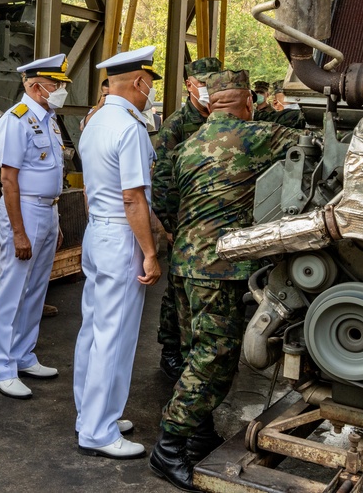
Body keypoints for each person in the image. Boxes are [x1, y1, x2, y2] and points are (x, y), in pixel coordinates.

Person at [149, 70, 302, 491]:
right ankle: (169, 447)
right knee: (213, 359)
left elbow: (164, 200)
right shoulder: (256, 136)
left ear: (212, 102)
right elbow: (312, 145)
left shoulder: (186, 145)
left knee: (194, 351)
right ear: (247, 102)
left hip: (184, 265)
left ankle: (198, 435)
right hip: (220, 269)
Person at [74, 45, 162, 460]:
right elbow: (133, 197)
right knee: (116, 334)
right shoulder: (131, 128)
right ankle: (98, 430)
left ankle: (90, 412)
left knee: (94, 327)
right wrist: (149, 251)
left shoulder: (95, 120)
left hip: (98, 231)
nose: (150, 95)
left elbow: (94, 188)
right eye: (150, 86)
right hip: (121, 235)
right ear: (140, 82)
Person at [0, 54, 68, 400]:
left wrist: (56, 219)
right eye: (55, 85)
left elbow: (52, 173)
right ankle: (0, 367)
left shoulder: (48, 119)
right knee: (13, 287)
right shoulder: (16, 121)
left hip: (47, 210)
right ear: (35, 86)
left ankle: (22, 354)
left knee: (35, 287)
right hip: (25, 210)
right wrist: (18, 231)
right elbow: (8, 179)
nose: (60, 90)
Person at [151, 56, 221, 382]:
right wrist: (169, 226)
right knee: (176, 289)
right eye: (203, 82)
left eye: (214, 81)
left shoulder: (222, 119)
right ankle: (171, 352)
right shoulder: (177, 126)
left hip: (215, 220)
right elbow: (162, 181)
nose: (209, 88)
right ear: (189, 85)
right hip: (184, 222)